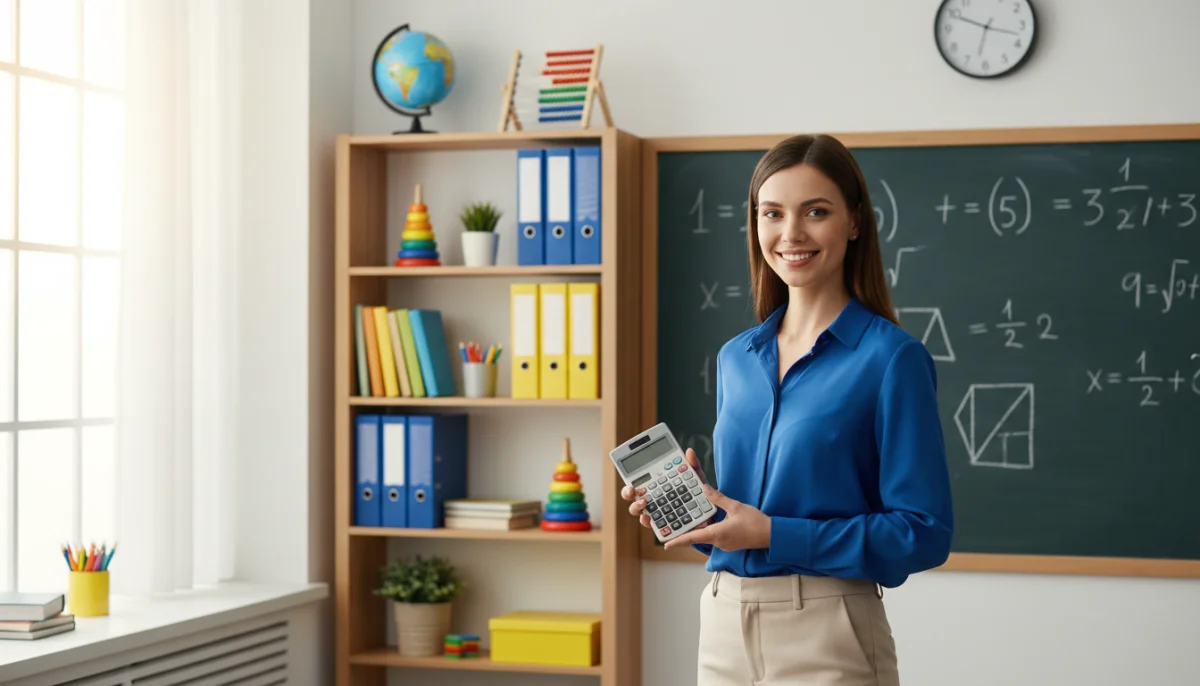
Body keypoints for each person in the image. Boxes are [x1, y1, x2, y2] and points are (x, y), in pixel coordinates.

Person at [622, 134, 954, 685]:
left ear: (854, 223)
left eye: (815, 212)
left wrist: (775, 534)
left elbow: (923, 532)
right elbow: (742, 524)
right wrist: (700, 514)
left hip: (827, 631)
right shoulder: (737, 358)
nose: (791, 233)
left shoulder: (893, 359)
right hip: (723, 624)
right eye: (772, 213)